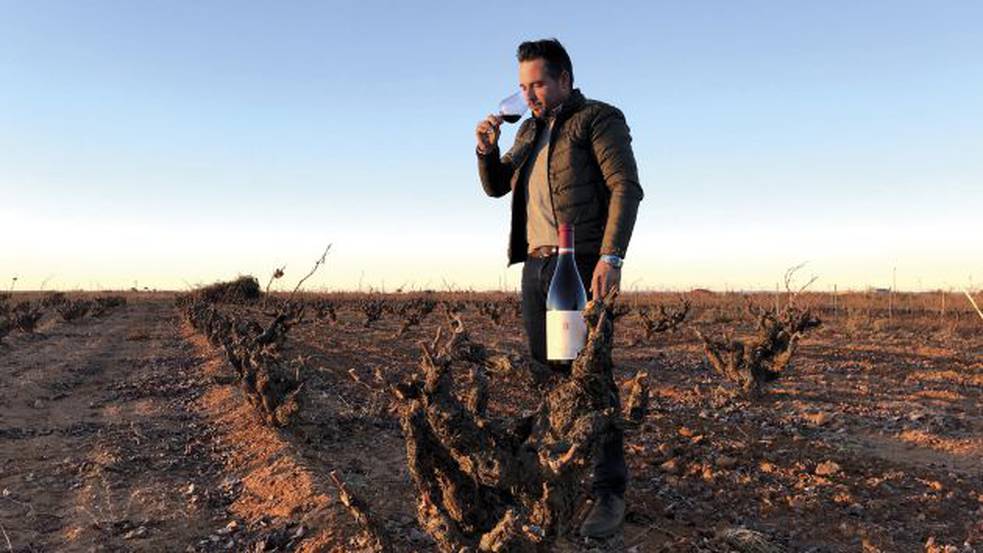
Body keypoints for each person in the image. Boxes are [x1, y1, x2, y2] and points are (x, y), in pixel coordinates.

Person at [474, 38, 644, 539]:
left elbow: (625, 187)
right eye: (523, 86)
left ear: (565, 78)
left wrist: (611, 258)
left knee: (590, 374)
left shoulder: (597, 118)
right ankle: (561, 471)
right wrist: (485, 151)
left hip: (583, 262)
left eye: (539, 83)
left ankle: (610, 488)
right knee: (547, 373)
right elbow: (497, 186)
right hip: (536, 268)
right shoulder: (527, 129)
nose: (529, 94)